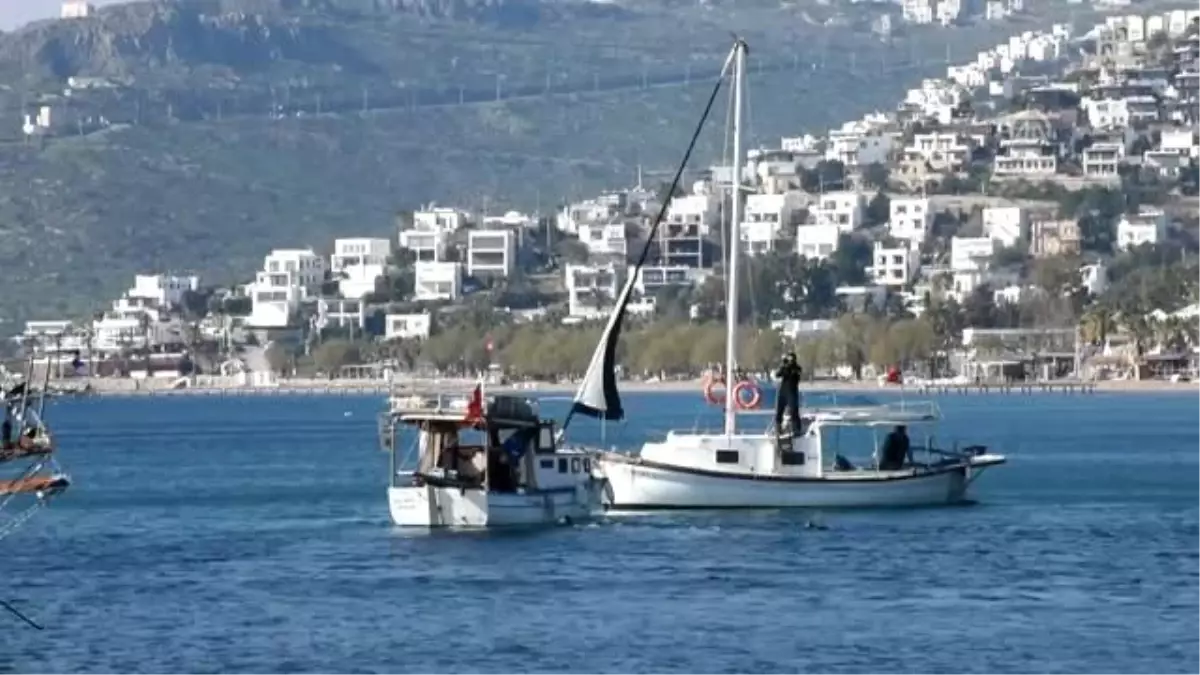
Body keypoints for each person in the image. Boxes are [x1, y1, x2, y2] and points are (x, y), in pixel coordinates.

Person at [774, 352, 803, 435]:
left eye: (791, 358)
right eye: (788, 358)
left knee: (794, 411)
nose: (790, 360)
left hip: (792, 392)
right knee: (779, 411)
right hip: (783, 391)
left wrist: (789, 366)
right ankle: (778, 429)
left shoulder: (797, 368)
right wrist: (783, 364)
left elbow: (796, 373)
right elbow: (778, 374)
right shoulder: (785, 367)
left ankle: (796, 429)